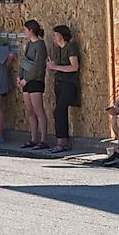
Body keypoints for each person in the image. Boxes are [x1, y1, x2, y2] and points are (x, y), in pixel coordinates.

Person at [46, 25, 81, 154]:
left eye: (55, 35)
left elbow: (74, 67)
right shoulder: (58, 49)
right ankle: (62, 140)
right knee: (60, 111)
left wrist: (56, 67)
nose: (54, 37)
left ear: (61, 35)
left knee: (59, 111)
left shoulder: (70, 47)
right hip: (59, 83)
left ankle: (62, 142)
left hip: (69, 83)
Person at [17, 20, 49, 150]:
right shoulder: (29, 44)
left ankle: (43, 139)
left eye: (25, 30)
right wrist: (20, 76)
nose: (24, 32)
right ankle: (33, 138)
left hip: (35, 80)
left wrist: (27, 79)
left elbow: (39, 66)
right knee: (30, 111)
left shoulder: (40, 45)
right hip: (26, 80)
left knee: (38, 110)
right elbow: (24, 61)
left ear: (31, 30)